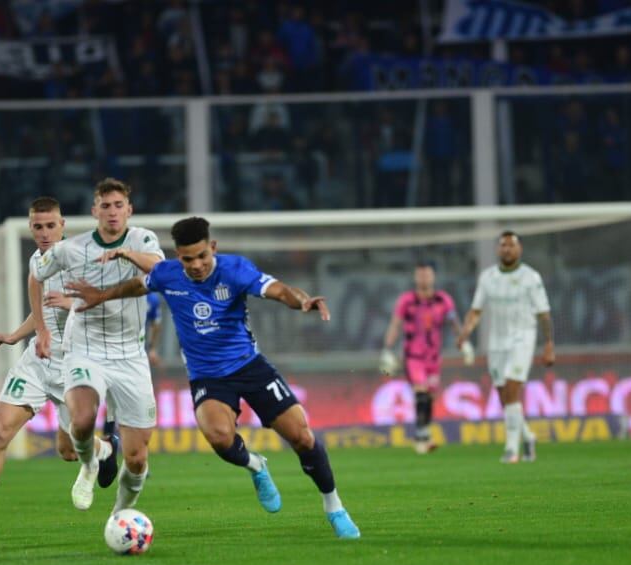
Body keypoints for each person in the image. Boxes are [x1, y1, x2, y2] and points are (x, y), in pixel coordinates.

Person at [63, 216, 361, 539]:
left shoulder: (234, 270)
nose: (197, 265)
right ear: (178, 257)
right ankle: (256, 465)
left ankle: (334, 506)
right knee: (219, 437)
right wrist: (101, 295)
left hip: (249, 366)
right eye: (188, 258)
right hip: (207, 377)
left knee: (302, 437)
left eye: (202, 256)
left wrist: (302, 300)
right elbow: (139, 285)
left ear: (213, 248)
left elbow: (278, 290)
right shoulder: (168, 274)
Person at [0, 196, 118, 541]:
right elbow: (42, 313)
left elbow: (108, 307)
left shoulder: (82, 258)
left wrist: (73, 304)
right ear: (31, 227)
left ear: (63, 225)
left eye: (50, 225)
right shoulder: (37, 261)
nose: (44, 233)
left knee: (69, 450)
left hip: (76, 366)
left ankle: (105, 450)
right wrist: (17, 334)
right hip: (38, 363)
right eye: (37, 227)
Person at [31, 177, 165, 512]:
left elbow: (161, 271)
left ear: (129, 210)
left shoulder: (143, 239)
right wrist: (41, 327)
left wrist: (125, 253)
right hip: (85, 348)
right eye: (105, 206)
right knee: (83, 418)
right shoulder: (70, 249)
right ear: (95, 211)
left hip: (130, 356)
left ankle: (120, 514)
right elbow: (37, 272)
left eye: (119, 205)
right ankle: (90, 463)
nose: (112, 212)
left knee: (136, 457)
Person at [459, 231, 555, 464]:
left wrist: (549, 344)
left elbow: (543, 313)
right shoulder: (488, 277)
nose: (507, 249)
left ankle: (512, 449)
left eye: (512, 245)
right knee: (504, 396)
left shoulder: (531, 277)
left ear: (519, 249)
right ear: (497, 249)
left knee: (512, 390)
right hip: (497, 342)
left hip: (522, 339)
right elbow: (477, 309)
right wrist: (466, 331)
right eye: (503, 245)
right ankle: (528, 436)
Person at [380, 261, 471, 454]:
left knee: (429, 396)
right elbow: (395, 325)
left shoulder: (443, 300)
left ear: (433, 277)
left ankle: (425, 433)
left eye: (427, 275)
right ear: (415, 278)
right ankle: (421, 437)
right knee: (420, 391)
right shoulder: (407, 300)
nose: (424, 278)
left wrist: (465, 344)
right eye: (420, 275)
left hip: (434, 357)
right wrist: (387, 349)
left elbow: (454, 323)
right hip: (413, 356)